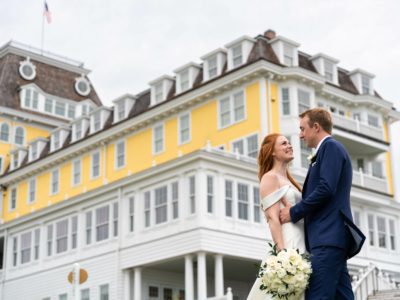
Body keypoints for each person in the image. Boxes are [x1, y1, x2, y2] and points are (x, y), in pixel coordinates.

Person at [280, 108, 355, 300]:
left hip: (327, 239)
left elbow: (326, 188)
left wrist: (295, 212)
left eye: (303, 129)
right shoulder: (325, 152)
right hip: (330, 239)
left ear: (316, 127)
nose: (300, 134)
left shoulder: (331, 147)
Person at [247, 133, 305, 300]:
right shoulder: (269, 177)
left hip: (303, 238)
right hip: (289, 242)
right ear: (272, 151)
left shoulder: (291, 180)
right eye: (284, 143)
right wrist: (283, 256)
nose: (289, 145)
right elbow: (273, 218)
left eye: (289, 142)